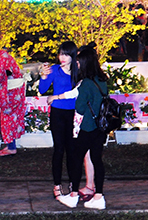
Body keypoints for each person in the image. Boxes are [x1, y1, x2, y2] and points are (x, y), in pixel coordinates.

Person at [56, 45, 108, 210]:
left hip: (88, 128)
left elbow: (79, 108)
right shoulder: (102, 80)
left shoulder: (85, 83)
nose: (77, 65)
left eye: (79, 62)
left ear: (85, 63)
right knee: (97, 160)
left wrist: (75, 128)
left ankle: (73, 196)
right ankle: (98, 196)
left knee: (76, 159)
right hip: (101, 128)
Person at [39, 41, 79, 198]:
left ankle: (73, 183)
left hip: (74, 114)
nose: (62, 57)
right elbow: (43, 90)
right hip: (57, 113)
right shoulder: (55, 70)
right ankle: (57, 184)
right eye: (60, 53)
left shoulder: (78, 70)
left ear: (72, 55)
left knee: (72, 150)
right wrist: (43, 76)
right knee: (59, 149)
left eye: (66, 54)